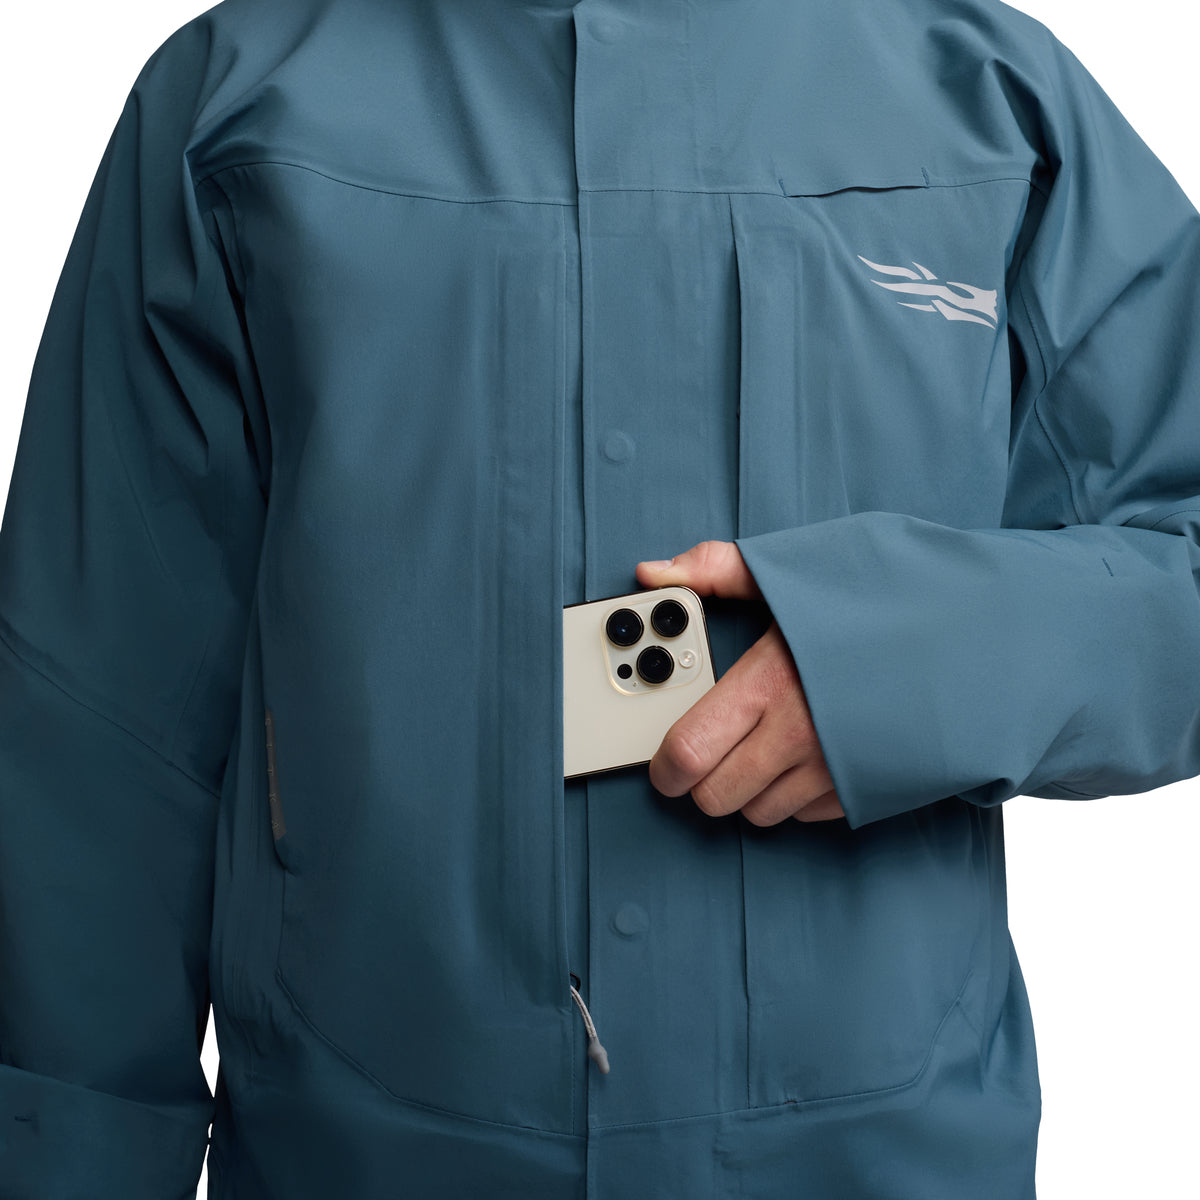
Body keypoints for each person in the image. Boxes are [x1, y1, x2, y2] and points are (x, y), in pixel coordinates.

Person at [1, 0, 1198, 1196]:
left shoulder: (989, 97)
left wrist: (897, 671)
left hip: (880, 1163)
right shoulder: (236, 104)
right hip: (367, 1157)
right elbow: (97, 715)